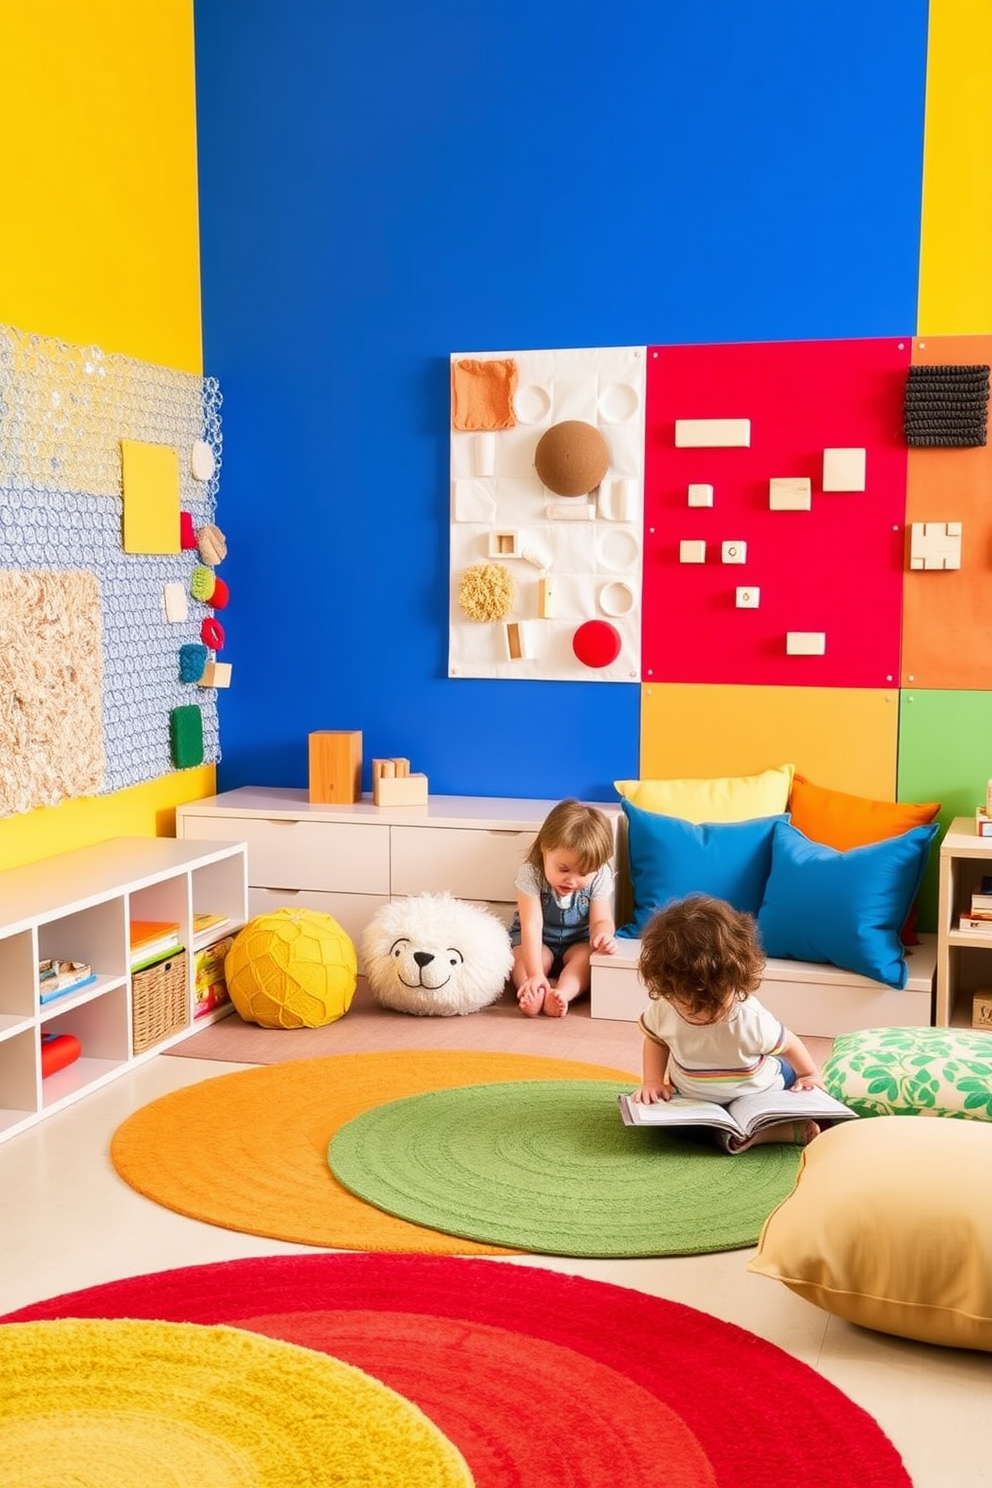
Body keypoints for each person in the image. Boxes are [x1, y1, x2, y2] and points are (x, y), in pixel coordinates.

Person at [630, 893, 823, 1152]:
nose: (703, 1015)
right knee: (663, 1123)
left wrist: (808, 1074)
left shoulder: (749, 1017)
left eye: (714, 1002)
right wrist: (652, 1080)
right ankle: (758, 1134)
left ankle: (779, 1126)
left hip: (759, 1090)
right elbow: (655, 1039)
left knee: (792, 1079)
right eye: (689, 1004)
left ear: (735, 979)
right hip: (694, 1096)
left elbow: (788, 1043)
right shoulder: (664, 1008)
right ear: (667, 985)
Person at [510, 799, 618, 1018]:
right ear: (544, 850)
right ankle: (532, 989)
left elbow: (601, 920)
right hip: (539, 941)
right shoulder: (531, 873)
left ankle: (561, 994)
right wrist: (534, 973)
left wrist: (603, 935)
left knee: (586, 959)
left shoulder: (601, 876)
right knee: (522, 957)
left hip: (576, 941)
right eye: (564, 869)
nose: (572, 880)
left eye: (584, 873)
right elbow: (531, 925)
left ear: (596, 869)